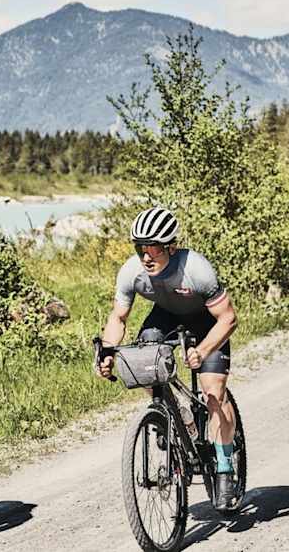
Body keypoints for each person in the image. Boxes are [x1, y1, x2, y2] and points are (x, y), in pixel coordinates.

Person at [96, 206, 240, 507]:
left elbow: (228, 318)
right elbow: (118, 318)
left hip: (206, 321)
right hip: (165, 316)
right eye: (140, 248)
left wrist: (202, 351)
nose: (146, 256)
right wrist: (107, 351)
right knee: (142, 364)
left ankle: (225, 467)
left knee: (214, 392)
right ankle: (176, 415)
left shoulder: (197, 270)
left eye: (154, 248)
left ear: (171, 248)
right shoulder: (131, 271)